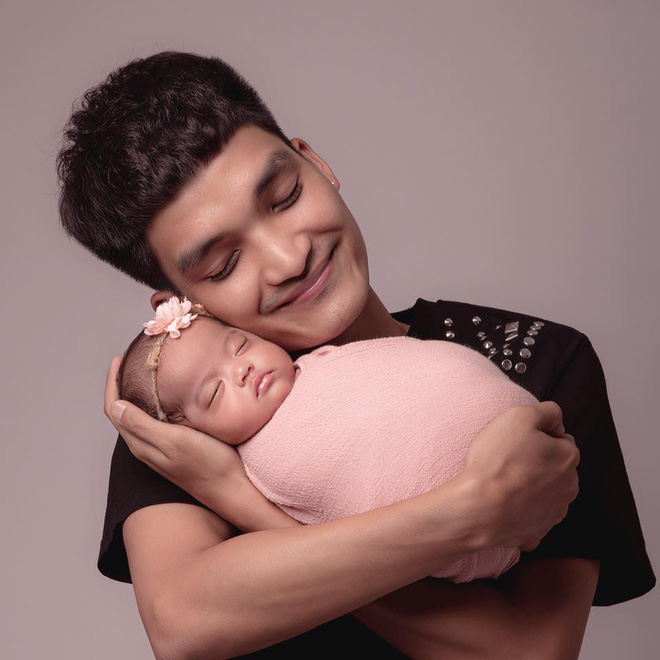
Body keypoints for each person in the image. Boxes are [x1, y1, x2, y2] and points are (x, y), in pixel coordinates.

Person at [56, 51, 654, 659]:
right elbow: (186, 623)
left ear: (316, 163)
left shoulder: (540, 359)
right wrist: (471, 511)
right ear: (181, 308)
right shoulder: (192, 414)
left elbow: (532, 651)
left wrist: (240, 501)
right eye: (225, 263)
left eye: (285, 197)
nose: (290, 259)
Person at [119, 296, 541, 583]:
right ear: (193, 436)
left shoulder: (323, 358)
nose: (241, 369)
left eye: (240, 345)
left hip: (525, 434)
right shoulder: (266, 468)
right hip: (473, 531)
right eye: (215, 392)